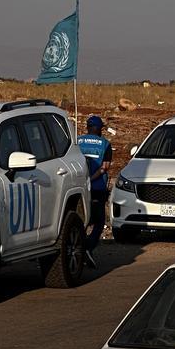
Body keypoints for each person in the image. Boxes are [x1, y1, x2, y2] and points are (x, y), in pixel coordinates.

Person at [77, 115, 112, 269]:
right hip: (97, 188)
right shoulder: (105, 144)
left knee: (80, 220)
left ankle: (77, 247)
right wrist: (91, 179)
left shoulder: (77, 141)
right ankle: (88, 247)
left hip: (78, 188)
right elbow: (104, 167)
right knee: (99, 222)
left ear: (88, 127)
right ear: (99, 129)